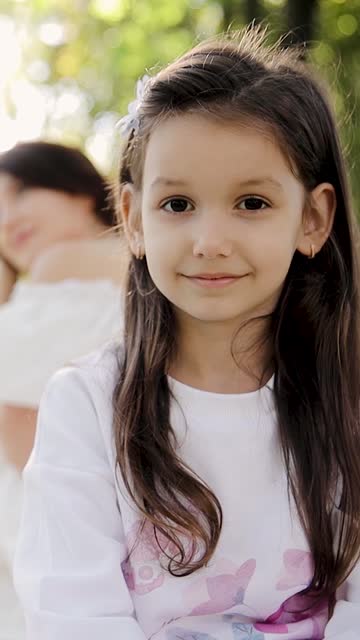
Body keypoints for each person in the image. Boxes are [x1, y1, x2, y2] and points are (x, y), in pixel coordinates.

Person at [13, 28, 360, 639]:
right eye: (177, 205)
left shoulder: (348, 398)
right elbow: (71, 615)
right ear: (132, 219)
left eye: (252, 203)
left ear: (312, 218)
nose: (210, 242)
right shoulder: (88, 407)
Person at [0, 141, 125, 638]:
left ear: (77, 188)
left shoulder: (66, 265)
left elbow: (15, 425)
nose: (6, 220)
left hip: (61, 553)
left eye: (20, 193)